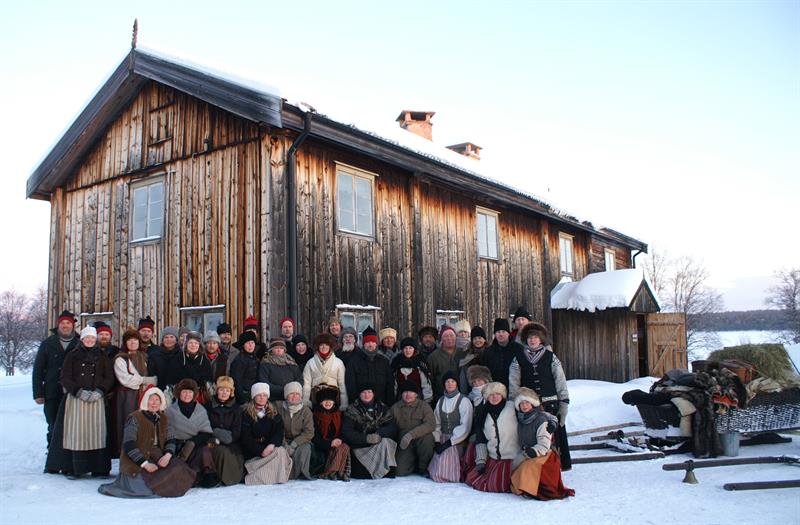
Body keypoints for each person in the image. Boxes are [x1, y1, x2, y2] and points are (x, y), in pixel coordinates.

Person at [98, 386, 192, 498]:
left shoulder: (164, 418)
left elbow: (170, 439)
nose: (154, 403)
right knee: (144, 483)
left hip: (157, 456)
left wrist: (167, 455)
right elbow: (128, 444)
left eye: (157, 400)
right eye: (151, 399)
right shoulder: (134, 418)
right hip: (137, 459)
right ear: (145, 401)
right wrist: (145, 464)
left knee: (180, 468)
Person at [45, 325, 114, 478]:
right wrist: (77, 391)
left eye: (92, 338)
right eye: (86, 338)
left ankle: (98, 468)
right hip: (77, 399)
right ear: (82, 339)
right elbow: (65, 376)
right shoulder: (72, 355)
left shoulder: (102, 356)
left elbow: (108, 376)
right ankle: (75, 468)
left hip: (96, 400)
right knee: (76, 434)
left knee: (97, 433)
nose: (89, 340)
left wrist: (100, 391)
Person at [509, 322, 572, 470]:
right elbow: (513, 381)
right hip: (528, 406)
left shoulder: (551, 357)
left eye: (536, 337)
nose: (533, 340)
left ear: (541, 339)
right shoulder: (518, 358)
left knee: (551, 436)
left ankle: (554, 468)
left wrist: (564, 402)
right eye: (530, 338)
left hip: (550, 404)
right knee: (534, 437)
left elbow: (560, 379)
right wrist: (514, 402)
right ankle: (536, 469)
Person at [510, 387, 575, 500]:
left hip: (544, 454)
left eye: (527, 403)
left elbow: (544, 445)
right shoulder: (521, 420)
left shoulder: (541, 420)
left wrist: (528, 454)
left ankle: (532, 490)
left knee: (527, 467)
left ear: (533, 404)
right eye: (522, 403)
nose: (524, 406)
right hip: (529, 453)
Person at [33, 309, 78, 450]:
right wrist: (38, 393)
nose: (65, 326)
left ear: (72, 326)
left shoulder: (79, 343)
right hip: (52, 390)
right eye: (63, 323)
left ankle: (67, 458)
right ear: (58, 325)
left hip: (72, 392)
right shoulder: (48, 343)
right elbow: (38, 369)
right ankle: (52, 454)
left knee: (70, 425)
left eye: (68, 323)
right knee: (52, 424)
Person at [464, 381, 518, 493]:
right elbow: (481, 440)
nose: (494, 397)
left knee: (499, 485)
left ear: (502, 395)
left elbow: (533, 414)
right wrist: (481, 461)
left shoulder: (513, 407)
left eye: (497, 394)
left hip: (513, 457)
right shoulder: (482, 412)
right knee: (474, 479)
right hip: (494, 458)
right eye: (491, 395)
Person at [110, 329, 156, 459]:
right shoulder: (121, 358)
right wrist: (144, 380)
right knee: (128, 423)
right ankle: (126, 454)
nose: (133, 342)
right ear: (125, 342)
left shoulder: (143, 356)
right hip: (127, 397)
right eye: (130, 340)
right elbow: (125, 379)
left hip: (142, 395)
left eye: (135, 340)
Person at [165, 378, 217, 488]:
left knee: (205, 451)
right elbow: (167, 432)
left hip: (195, 445)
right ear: (179, 393)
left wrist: (193, 442)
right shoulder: (170, 411)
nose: (187, 395)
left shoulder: (201, 410)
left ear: (194, 394)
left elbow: (206, 432)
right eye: (184, 392)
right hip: (176, 446)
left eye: (190, 392)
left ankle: (206, 476)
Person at [341, 383, 398, 479]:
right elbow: (347, 432)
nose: (366, 395)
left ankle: (387, 470)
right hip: (360, 448)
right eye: (363, 392)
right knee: (362, 474)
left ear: (373, 393)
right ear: (359, 394)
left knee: (386, 442)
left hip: (379, 445)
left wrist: (379, 434)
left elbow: (392, 427)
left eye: (369, 392)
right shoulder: (352, 410)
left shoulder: (383, 408)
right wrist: (366, 438)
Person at [240, 382, 292, 485]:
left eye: (264, 395)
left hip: (269, 449)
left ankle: (267, 476)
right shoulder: (246, 413)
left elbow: (279, 431)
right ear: (254, 397)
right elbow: (245, 437)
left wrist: (271, 445)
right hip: (253, 451)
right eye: (259, 395)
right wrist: (260, 451)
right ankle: (252, 478)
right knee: (279, 456)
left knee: (281, 452)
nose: (262, 398)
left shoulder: (273, 412)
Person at [428, 371, 473, 483]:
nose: (450, 384)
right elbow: (436, 423)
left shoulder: (464, 401)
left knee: (445, 459)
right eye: (447, 381)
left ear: (457, 383)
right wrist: (437, 441)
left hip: (457, 440)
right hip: (443, 437)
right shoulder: (441, 400)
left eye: (453, 381)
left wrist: (449, 443)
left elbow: (465, 426)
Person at [391, 381, 435, 476]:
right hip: (404, 442)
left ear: (416, 394)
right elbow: (390, 428)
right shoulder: (395, 408)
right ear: (401, 394)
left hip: (421, 439)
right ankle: (412, 463)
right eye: (405, 392)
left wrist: (411, 435)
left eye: (411, 392)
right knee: (400, 472)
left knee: (428, 439)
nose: (408, 395)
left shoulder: (424, 406)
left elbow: (431, 424)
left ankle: (423, 467)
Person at [207, 376, 244, 486]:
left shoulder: (236, 409)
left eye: (227, 390)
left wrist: (228, 438)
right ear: (217, 391)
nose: (224, 393)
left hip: (232, 442)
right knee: (218, 451)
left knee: (233, 454)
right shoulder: (208, 407)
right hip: (212, 441)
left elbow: (237, 430)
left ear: (231, 392)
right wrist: (217, 433)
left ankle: (231, 478)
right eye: (222, 390)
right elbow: (205, 427)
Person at [345, 326, 394, 405]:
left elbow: (390, 384)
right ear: (364, 344)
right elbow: (350, 385)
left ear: (376, 343)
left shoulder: (384, 361)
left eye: (372, 342)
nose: (370, 344)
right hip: (360, 405)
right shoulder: (354, 361)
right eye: (367, 342)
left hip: (381, 404)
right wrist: (355, 403)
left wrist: (389, 403)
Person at [311, 383, 351, 481]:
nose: (328, 403)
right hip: (322, 446)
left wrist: (339, 440)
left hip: (337, 443)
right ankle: (332, 472)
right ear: (320, 402)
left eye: (330, 400)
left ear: (334, 402)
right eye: (325, 401)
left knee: (344, 446)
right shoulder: (315, 416)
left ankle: (340, 472)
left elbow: (345, 431)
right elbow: (314, 437)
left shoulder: (340, 415)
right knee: (338, 448)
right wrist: (329, 443)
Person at [278, 381, 315, 479]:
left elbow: (309, 432)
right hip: (284, 440)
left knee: (304, 449)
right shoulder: (280, 408)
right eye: (291, 394)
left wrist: (294, 444)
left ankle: (299, 473)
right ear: (286, 396)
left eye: (297, 394)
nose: (294, 396)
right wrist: (284, 444)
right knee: (280, 451)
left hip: (301, 441)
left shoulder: (306, 411)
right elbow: (277, 429)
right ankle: (282, 474)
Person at [302, 333, 348, 408]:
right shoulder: (310, 362)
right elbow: (306, 384)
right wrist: (306, 401)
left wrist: (344, 403)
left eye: (326, 345)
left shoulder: (338, 362)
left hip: (333, 398)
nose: (324, 347)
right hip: (316, 397)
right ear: (318, 347)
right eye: (321, 345)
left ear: (330, 346)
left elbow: (342, 384)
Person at [171, 331, 213, 403]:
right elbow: (172, 378)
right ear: (186, 344)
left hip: (199, 395)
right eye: (190, 343)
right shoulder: (178, 358)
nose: (193, 345)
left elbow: (208, 379)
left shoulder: (204, 360)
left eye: (196, 343)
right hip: (181, 395)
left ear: (199, 345)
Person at [427, 325, 464, 402]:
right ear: (441, 339)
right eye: (446, 336)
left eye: (451, 335)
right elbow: (430, 379)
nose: (449, 338)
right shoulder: (434, 357)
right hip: (440, 396)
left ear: (455, 337)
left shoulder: (463, 353)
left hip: (461, 396)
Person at [391, 337, 433, 404]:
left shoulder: (420, 363)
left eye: (410, 348)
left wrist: (427, 402)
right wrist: (393, 399)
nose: (408, 350)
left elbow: (426, 385)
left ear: (414, 349)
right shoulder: (396, 363)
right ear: (402, 350)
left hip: (418, 399)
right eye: (405, 348)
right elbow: (394, 385)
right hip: (401, 399)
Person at [483, 318, 522, 388]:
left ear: (508, 333)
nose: (501, 334)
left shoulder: (518, 349)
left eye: (503, 331)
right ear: (495, 334)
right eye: (498, 332)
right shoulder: (488, 352)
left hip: (515, 388)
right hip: (495, 391)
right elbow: (486, 373)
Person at [230, 331, 260, 404]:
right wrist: (242, 398)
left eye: (252, 343)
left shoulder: (256, 358)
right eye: (247, 343)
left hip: (255, 393)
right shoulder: (239, 360)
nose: (250, 345)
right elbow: (237, 381)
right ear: (243, 345)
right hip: (245, 395)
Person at [458, 326, 487, 394]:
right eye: (475, 338)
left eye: (480, 338)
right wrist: (464, 394)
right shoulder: (467, 355)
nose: (477, 341)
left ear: (484, 339)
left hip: (488, 391)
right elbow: (463, 378)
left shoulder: (490, 353)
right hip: (471, 391)